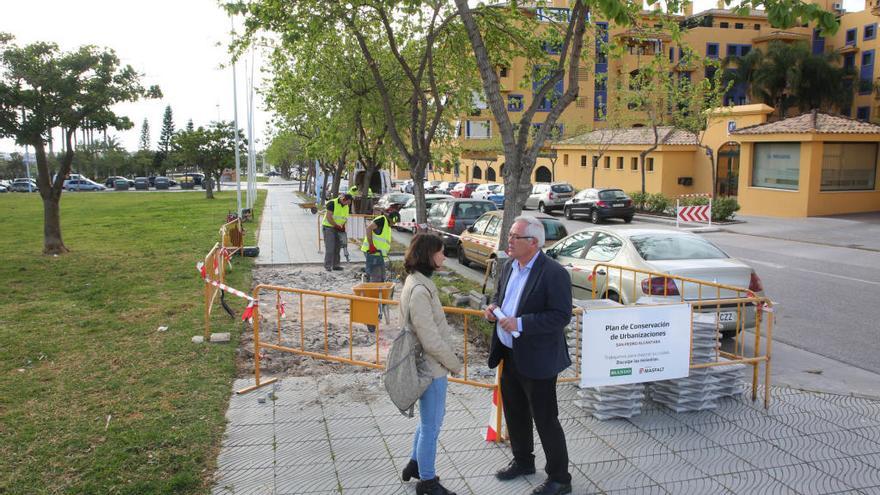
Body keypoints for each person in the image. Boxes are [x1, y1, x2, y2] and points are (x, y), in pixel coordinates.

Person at [483, 216, 573, 495]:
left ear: (533, 243)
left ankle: (560, 478)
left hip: (539, 358)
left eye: (514, 236)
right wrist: (493, 310)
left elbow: (560, 316)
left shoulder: (554, 273)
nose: (508, 240)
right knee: (515, 412)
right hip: (510, 354)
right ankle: (523, 461)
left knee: (545, 419)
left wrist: (521, 323)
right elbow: (501, 298)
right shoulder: (510, 266)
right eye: (509, 235)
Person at [399, 233, 462, 495]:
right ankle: (427, 481)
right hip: (432, 367)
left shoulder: (417, 282)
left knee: (428, 423)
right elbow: (430, 339)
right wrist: (454, 363)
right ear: (428, 255)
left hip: (428, 365)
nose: (444, 256)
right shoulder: (420, 290)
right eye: (440, 252)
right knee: (431, 426)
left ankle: (415, 464)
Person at [361, 203, 402, 282]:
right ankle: (374, 290)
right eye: (394, 222)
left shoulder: (387, 225)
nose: (394, 224)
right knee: (376, 275)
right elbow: (369, 229)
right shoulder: (381, 220)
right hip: (372, 251)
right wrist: (371, 245)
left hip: (379, 253)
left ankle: (372, 283)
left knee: (382, 274)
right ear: (392, 219)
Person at [321, 193, 353, 271]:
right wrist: (336, 225)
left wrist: (342, 226)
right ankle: (328, 266)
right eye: (348, 202)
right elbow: (329, 217)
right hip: (329, 227)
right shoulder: (332, 203)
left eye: (349, 203)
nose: (348, 204)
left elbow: (344, 217)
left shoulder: (346, 206)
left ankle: (336, 265)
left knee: (337, 248)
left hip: (339, 228)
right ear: (343, 199)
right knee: (330, 248)